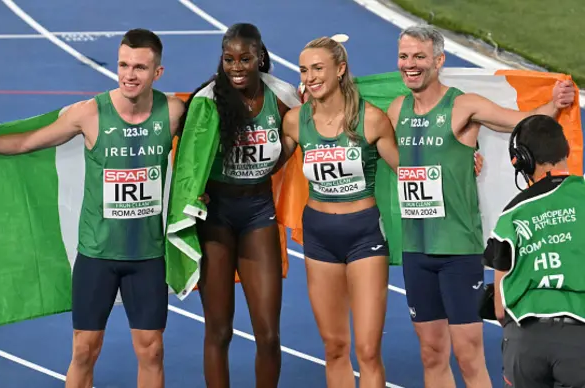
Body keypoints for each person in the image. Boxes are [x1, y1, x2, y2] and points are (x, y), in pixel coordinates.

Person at [0, 29, 184, 388]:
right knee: (84, 350)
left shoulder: (173, 113)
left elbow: (208, 140)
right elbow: (28, 142)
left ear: (157, 73)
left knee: (152, 350)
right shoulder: (90, 113)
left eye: (140, 67)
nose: (128, 74)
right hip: (97, 255)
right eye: (123, 64)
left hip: (147, 255)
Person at [385, 25, 576, 388]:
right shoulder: (397, 109)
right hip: (416, 251)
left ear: (439, 61)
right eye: (404, 56)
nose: (410, 65)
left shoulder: (463, 105)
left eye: (419, 57)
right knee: (431, 353)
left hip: (457, 251)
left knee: (468, 355)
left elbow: (520, 123)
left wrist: (554, 103)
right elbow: (363, 133)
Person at [183, 23, 299, 388]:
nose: (236, 66)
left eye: (245, 59)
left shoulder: (282, 96)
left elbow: (317, 123)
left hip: (257, 213)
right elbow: (187, 158)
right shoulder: (206, 101)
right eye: (229, 59)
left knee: (268, 334)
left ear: (259, 58)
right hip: (215, 218)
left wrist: (277, 163)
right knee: (219, 330)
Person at [279, 36, 399, 388]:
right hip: (318, 235)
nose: (310, 77)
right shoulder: (295, 122)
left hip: (364, 234)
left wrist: (461, 158)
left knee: (367, 349)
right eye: (304, 70)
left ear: (340, 70)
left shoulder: (372, 120)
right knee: (334, 347)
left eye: (318, 68)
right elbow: (264, 168)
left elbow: (409, 172)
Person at [483, 114, 585, 388]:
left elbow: (500, 308)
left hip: (526, 341)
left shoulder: (510, 215)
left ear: (522, 161)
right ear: (567, 150)